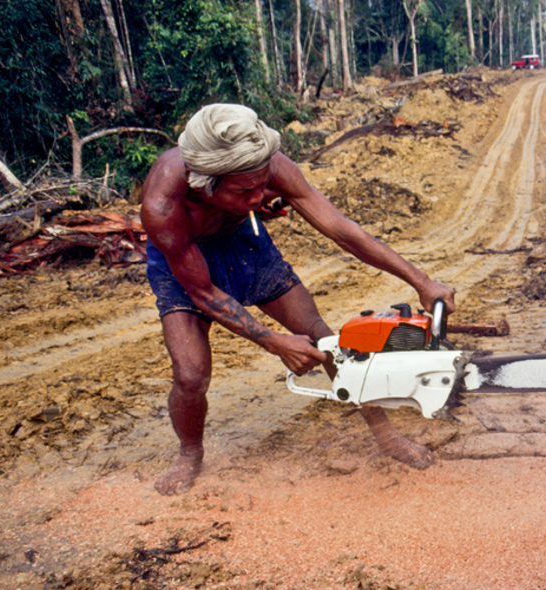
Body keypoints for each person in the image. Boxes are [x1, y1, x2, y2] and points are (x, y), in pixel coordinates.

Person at [139, 103, 456, 495]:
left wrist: (421, 281)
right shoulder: (163, 206)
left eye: (263, 184)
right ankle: (189, 453)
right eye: (244, 191)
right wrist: (272, 341)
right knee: (190, 375)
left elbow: (342, 230)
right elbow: (203, 292)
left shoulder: (269, 165)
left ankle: (386, 435)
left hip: (243, 242)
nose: (260, 197)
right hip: (183, 258)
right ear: (205, 183)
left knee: (326, 341)